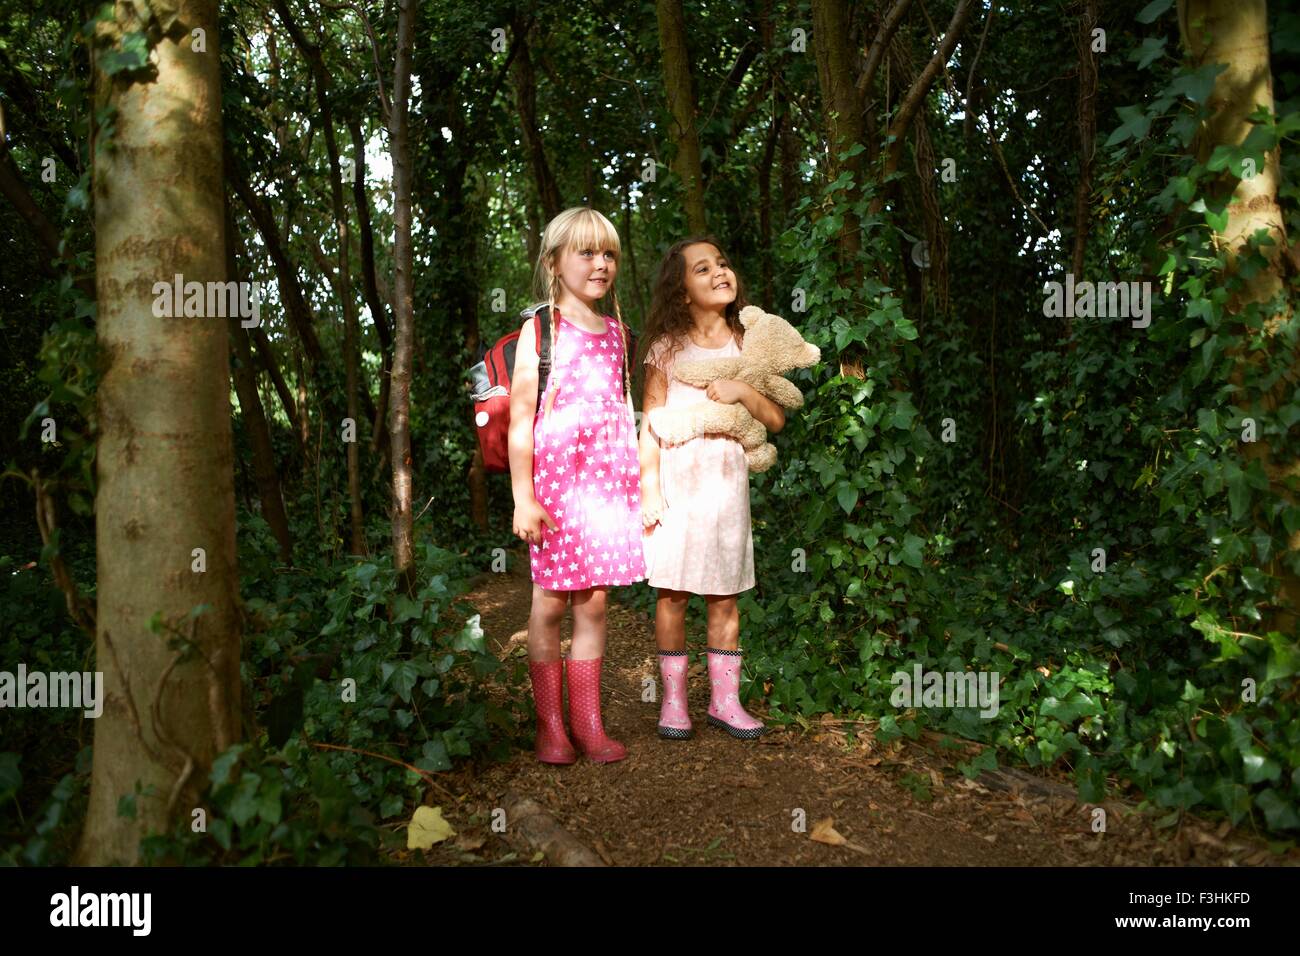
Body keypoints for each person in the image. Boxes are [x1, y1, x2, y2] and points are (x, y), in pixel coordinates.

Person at [508, 207, 645, 764]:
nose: (600, 263)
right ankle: (550, 727)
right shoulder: (540, 329)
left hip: (609, 490)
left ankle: (588, 724)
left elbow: (627, 412)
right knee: (549, 606)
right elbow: (521, 419)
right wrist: (523, 496)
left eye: (608, 253)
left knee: (594, 605)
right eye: (585, 252)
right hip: (556, 493)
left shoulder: (619, 335)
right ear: (553, 263)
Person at [639, 237, 786, 741]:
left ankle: (726, 702)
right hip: (679, 486)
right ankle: (675, 702)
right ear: (681, 293)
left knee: (724, 599)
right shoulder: (666, 348)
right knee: (673, 594)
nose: (720, 272)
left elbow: (775, 419)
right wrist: (649, 489)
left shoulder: (745, 344)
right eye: (703, 269)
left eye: (722, 263)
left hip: (725, 492)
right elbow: (651, 422)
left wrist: (744, 390)